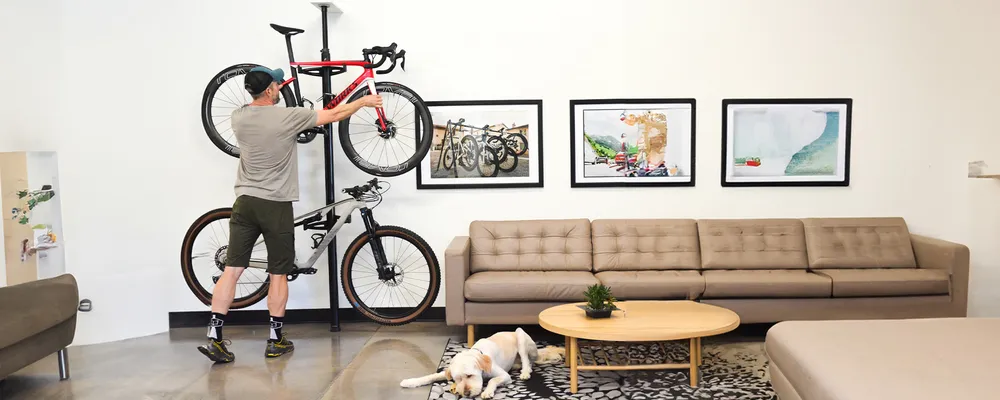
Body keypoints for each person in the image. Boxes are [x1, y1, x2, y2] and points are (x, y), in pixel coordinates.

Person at [198, 66, 382, 363]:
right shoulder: (287, 117)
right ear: (271, 90)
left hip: (244, 202)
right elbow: (333, 115)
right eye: (276, 84)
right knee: (278, 273)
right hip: (276, 204)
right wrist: (363, 102)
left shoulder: (238, 117)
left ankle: (214, 337)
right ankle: (275, 339)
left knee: (232, 270)